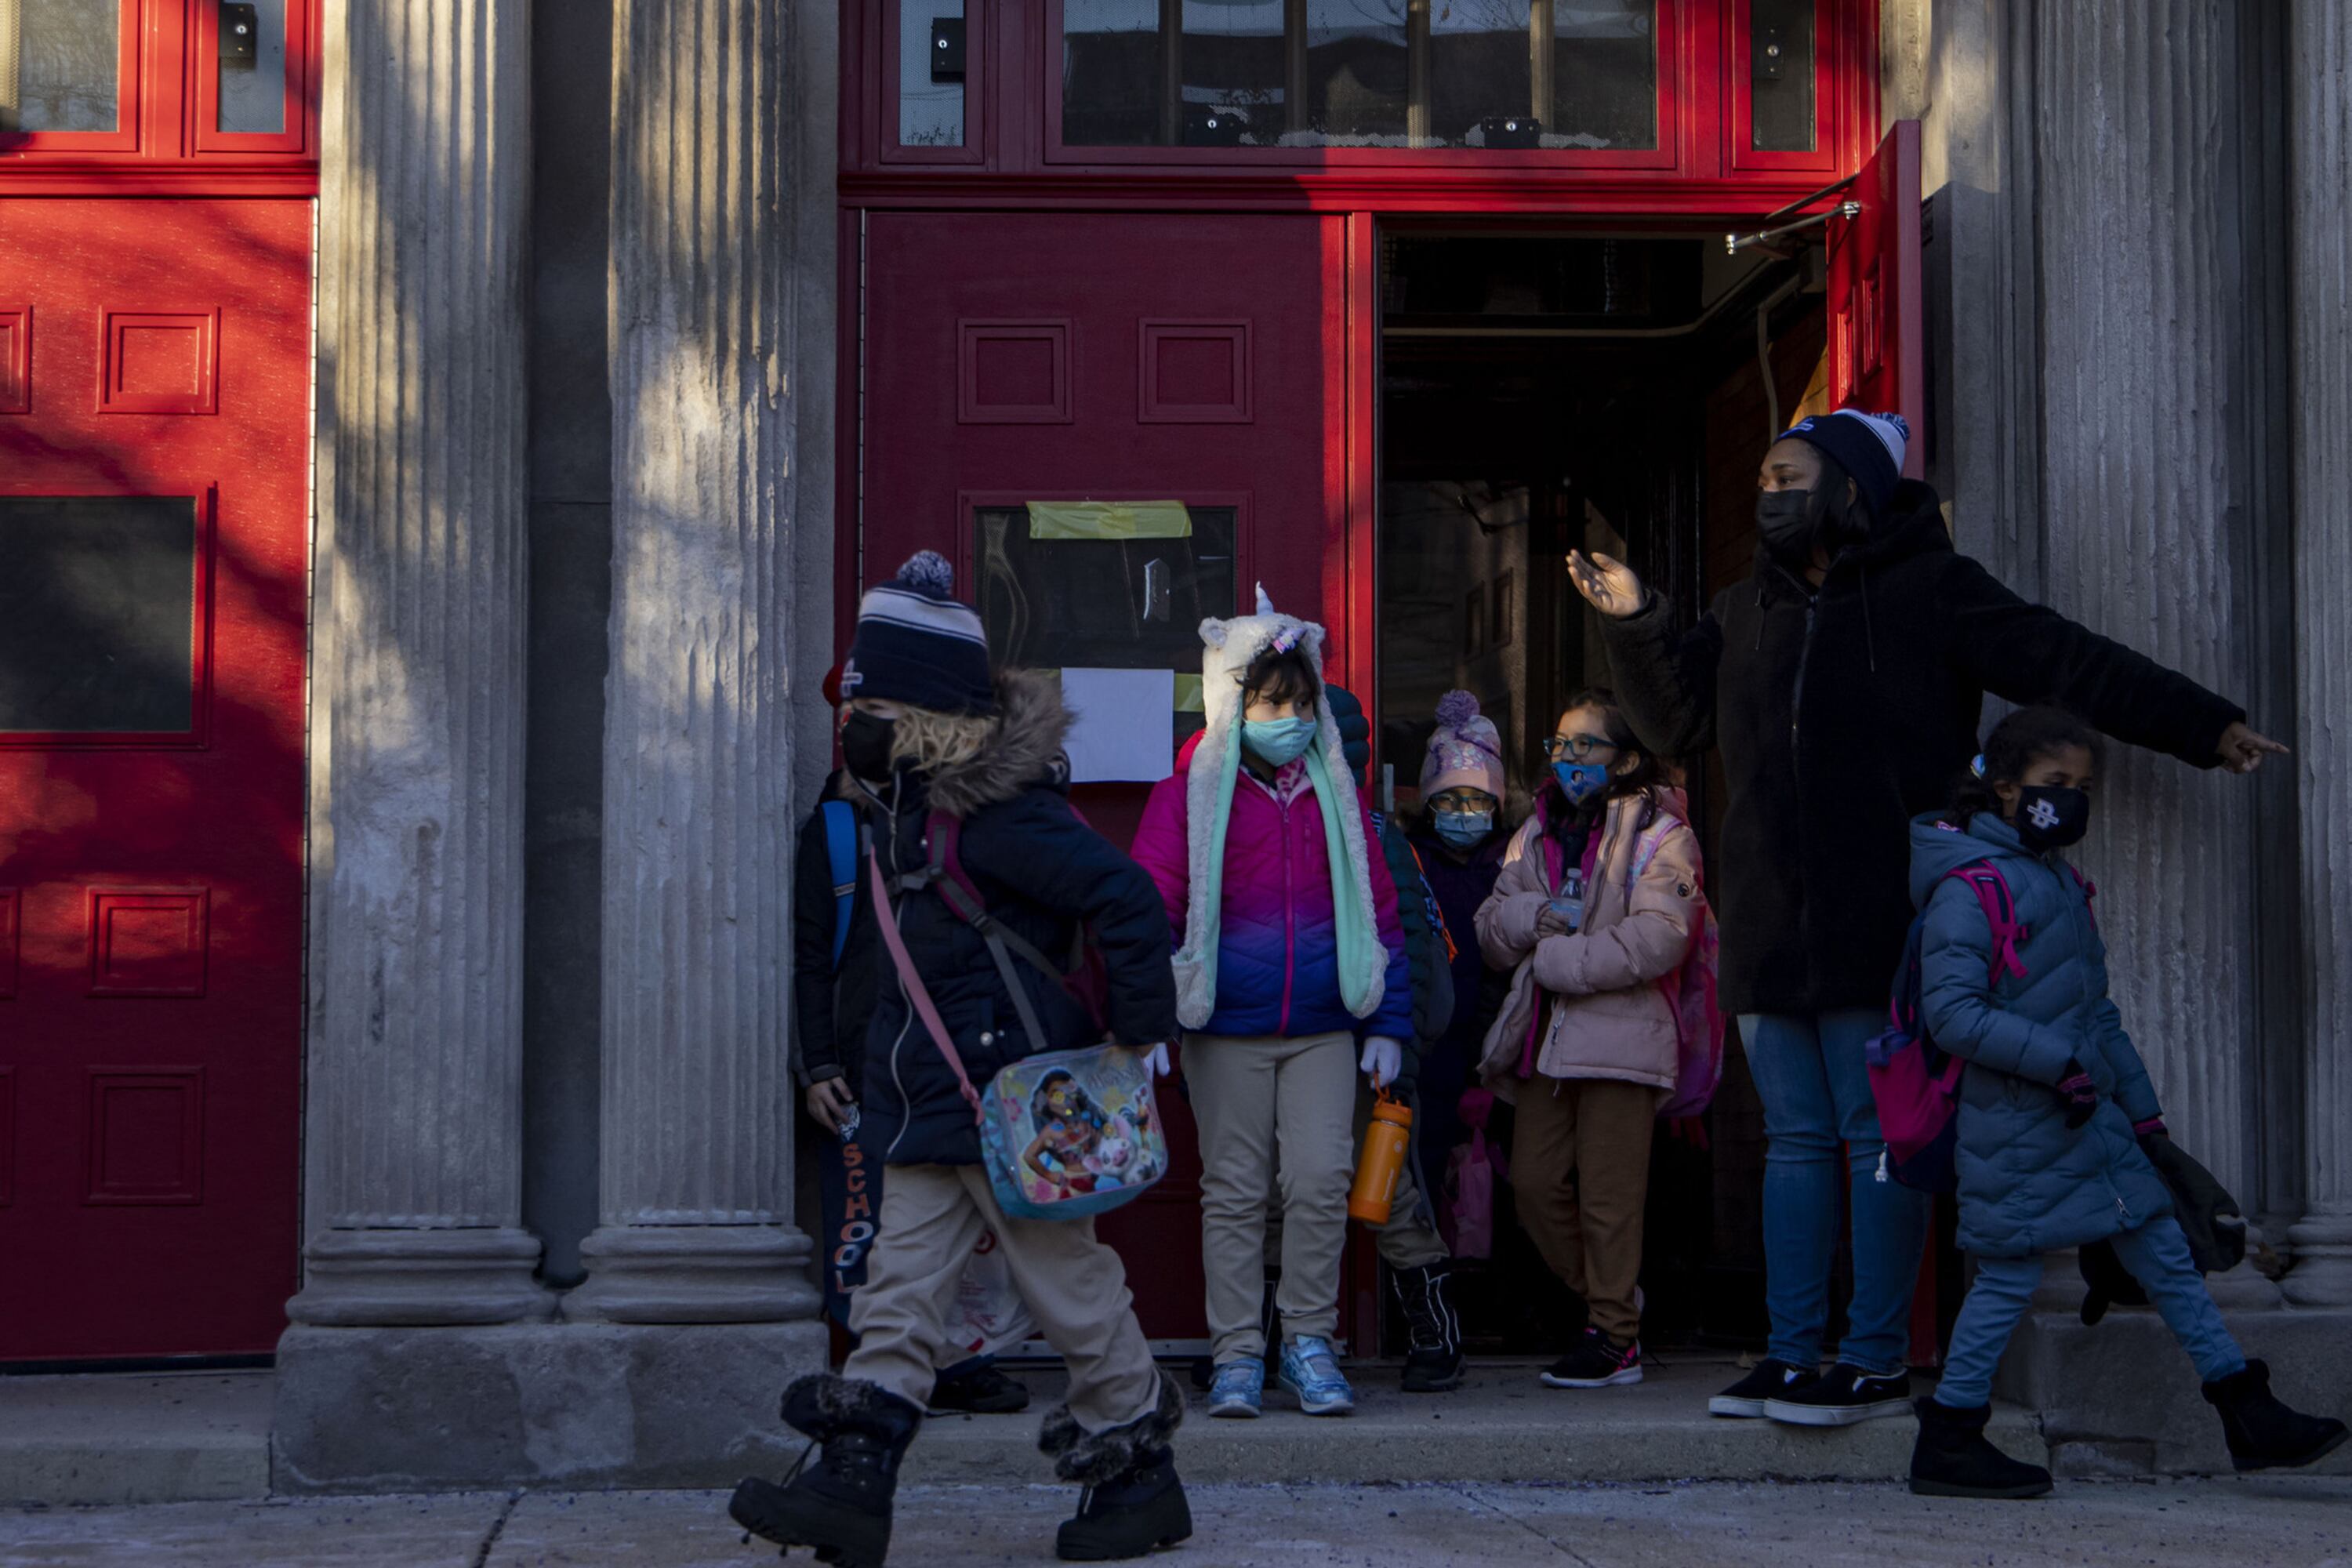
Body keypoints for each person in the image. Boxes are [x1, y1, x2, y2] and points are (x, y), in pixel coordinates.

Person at [1569, 408, 2286, 1426]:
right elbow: (1674, 722)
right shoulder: (1741, 607)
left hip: (1884, 923)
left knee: (1877, 1140)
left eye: (1794, 476)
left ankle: (1868, 1359)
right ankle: (1788, 1355)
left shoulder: (1933, 591)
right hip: (1774, 928)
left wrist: (2205, 724)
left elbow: (2066, 661)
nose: (1773, 493)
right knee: (1794, 1141)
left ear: (1853, 490)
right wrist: (1636, 619)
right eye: (1765, 476)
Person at [734, 553, 1189, 1566]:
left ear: (922, 711)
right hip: (927, 1104)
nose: (850, 715)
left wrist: (1134, 1036)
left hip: (1014, 1108)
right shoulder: (897, 816)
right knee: (895, 1295)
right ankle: (855, 1492)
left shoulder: (1001, 815)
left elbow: (1121, 898)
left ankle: (1140, 1482)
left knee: (1069, 1290)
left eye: (868, 699)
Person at [1904, 706, 2345, 1497]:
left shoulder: (2061, 882)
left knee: (2165, 1250)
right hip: (2013, 1123)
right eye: (2054, 784)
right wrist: (2062, 1064)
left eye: (2084, 786)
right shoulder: (1968, 888)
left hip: (2089, 1119)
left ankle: (2245, 1408)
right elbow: (1955, 1014)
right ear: (2005, 789)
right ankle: (1949, 1437)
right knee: (2007, 1274)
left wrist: (2144, 1116)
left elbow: (2095, 1012)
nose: (2072, 799)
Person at [1130, 588, 1413, 1419]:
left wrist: (1389, 1021)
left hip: (1325, 1024)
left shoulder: (1339, 801)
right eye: (1266, 702)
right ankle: (1237, 1353)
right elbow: (1151, 909)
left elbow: (1379, 910)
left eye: (1297, 701)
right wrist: (1149, 1013)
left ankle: (1310, 1341)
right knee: (1235, 1190)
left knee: (1323, 1180)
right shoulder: (1185, 796)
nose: (1284, 717)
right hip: (1223, 1027)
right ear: (1231, 703)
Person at [793, 663, 1031, 1418]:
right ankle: (884, 1366)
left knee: (972, 1224)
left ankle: (964, 1359)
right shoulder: (833, 831)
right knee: (876, 1224)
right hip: (864, 1066)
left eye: (876, 711)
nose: (857, 729)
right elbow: (809, 954)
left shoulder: (951, 818)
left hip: (958, 1059)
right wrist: (819, 1063)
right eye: (850, 714)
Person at [1474, 691, 1705, 1390]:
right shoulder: (1533, 834)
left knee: (1611, 1198)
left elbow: (1662, 937)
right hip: (1545, 1041)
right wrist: (1532, 915)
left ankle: (1613, 1338)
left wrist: (1556, 961)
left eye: (1585, 746)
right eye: (1560, 745)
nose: (1567, 759)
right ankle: (1615, 1303)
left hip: (1622, 1042)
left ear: (1627, 759)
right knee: (1537, 1188)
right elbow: (1489, 926)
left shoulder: (1664, 836)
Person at [1323, 684, 1464, 1393]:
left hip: (1367, 1054)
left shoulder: (1375, 840)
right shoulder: (1261, 825)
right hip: (1301, 1043)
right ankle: (1267, 1337)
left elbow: (1408, 945)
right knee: (1279, 1196)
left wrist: (1399, 1056)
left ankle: (1437, 1335)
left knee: (1388, 1193)